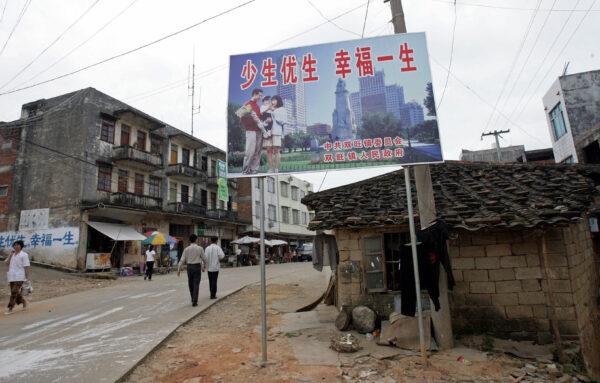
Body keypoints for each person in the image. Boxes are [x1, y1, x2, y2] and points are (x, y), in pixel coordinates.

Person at [237, 88, 269, 174]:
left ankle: (254, 169)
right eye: (259, 95)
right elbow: (240, 116)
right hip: (251, 131)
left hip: (259, 131)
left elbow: (259, 119)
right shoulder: (248, 105)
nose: (260, 97)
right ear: (254, 94)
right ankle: (246, 170)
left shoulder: (257, 107)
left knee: (257, 152)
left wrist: (264, 124)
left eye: (261, 95)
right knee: (250, 152)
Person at [177, 234, 206, 307]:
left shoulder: (186, 249)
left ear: (190, 240)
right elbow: (204, 259)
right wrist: (204, 266)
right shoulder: (200, 248)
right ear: (196, 240)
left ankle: (192, 298)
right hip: (197, 267)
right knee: (196, 283)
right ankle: (195, 301)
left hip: (189, 267)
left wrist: (179, 269)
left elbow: (182, 259)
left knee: (190, 283)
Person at [263, 95, 288, 173]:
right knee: (268, 151)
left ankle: (276, 169)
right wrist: (266, 122)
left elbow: (282, 121)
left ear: (278, 101)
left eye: (274, 100)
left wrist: (273, 111)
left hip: (277, 132)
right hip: (268, 133)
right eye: (272, 100)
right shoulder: (269, 110)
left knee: (276, 150)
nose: (273, 102)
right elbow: (264, 121)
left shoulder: (282, 109)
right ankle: (270, 168)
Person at [5, 240, 30, 315]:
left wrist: (27, 277)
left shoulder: (24, 255)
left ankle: (10, 308)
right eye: (14, 245)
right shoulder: (12, 254)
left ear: (21, 246)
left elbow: (26, 266)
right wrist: (10, 255)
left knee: (14, 292)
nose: (16, 246)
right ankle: (23, 301)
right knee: (16, 292)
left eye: (18, 245)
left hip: (20, 276)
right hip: (12, 276)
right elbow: (6, 263)